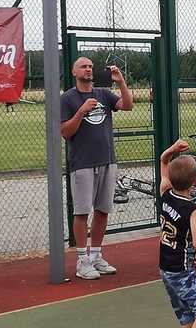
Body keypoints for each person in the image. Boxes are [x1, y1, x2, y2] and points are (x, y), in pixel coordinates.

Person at [60, 57, 134, 280]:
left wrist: (121, 82)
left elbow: (127, 105)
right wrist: (81, 112)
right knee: (82, 212)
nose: (88, 69)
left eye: (91, 66)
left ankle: (96, 256)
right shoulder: (68, 98)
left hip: (107, 160)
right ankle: (82, 261)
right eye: (83, 66)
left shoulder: (103, 93)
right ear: (74, 72)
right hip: (83, 163)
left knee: (103, 211)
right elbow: (65, 132)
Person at [159, 139, 196, 328]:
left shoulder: (165, 193)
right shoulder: (193, 210)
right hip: (183, 270)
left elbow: (163, 160)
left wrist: (172, 150)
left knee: (187, 316)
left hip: (166, 268)